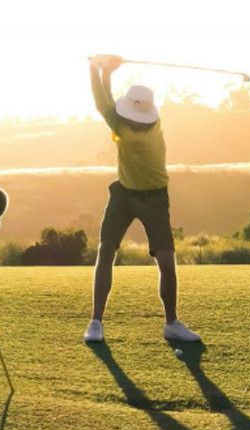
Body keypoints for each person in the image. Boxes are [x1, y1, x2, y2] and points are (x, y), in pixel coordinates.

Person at [83, 55, 201, 344]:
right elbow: (106, 104)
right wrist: (105, 73)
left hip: (154, 199)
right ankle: (95, 322)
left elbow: (102, 103)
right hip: (123, 194)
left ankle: (171, 323)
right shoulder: (141, 121)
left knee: (166, 261)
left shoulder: (127, 129)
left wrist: (98, 69)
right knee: (106, 250)